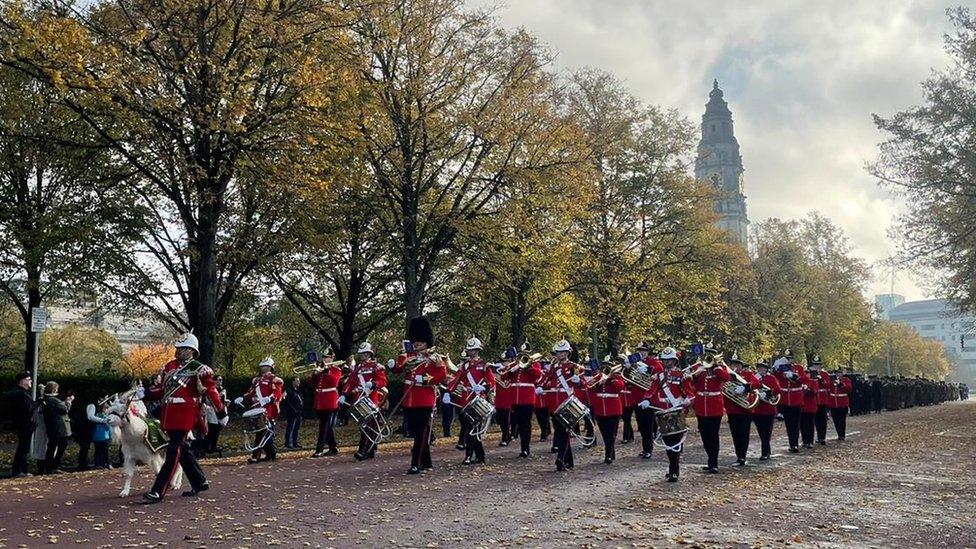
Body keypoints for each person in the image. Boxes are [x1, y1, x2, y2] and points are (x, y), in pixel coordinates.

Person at [143, 332, 228, 503]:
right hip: (168, 414)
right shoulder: (169, 366)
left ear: (191, 351)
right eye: (178, 348)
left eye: (182, 349)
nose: (178, 351)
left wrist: (220, 411)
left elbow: (210, 390)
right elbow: (161, 391)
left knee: (173, 452)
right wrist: (145, 393)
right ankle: (200, 481)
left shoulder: (199, 368)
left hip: (185, 415)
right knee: (183, 451)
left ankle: (158, 491)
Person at [393, 316, 448, 474]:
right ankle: (427, 462)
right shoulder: (408, 357)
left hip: (425, 399)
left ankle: (415, 463)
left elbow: (441, 375)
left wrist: (424, 379)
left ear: (426, 341)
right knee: (416, 431)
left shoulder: (435, 358)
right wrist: (393, 364)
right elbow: (399, 369)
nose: (417, 343)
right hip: (409, 399)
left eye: (420, 341)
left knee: (422, 433)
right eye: (415, 340)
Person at [642, 346, 694, 482]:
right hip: (663, 412)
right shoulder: (658, 376)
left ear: (675, 361)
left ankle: (673, 470)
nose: (666, 363)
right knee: (667, 442)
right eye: (664, 360)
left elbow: (690, 393)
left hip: (676, 411)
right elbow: (651, 390)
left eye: (669, 360)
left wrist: (688, 400)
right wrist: (646, 399)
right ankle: (673, 466)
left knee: (675, 442)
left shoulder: (681, 376)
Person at [444, 337, 496, 465]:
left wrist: (484, 387)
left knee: (471, 428)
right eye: (470, 350)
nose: (471, 352)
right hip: (465, 399)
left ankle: (468, 456)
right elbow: (456, 380)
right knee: (469, 427)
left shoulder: (484, 365)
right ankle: (480, 456)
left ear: (478, 350)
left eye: (473, 350)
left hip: (478, 399)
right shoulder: (465, 366)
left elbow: (491, 381)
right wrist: (448, 392)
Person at [342, 342, 389, 461]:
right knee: (363, 426)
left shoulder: (376, 366)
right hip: (359, 399)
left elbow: (383, 381)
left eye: (364, 353)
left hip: (371, 398)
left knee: (370, 426)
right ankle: (370, 450)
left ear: (369, 354)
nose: (362, 356)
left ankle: (363, 451)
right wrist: (343, 394)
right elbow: (351, 382)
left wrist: (373, 383)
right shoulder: (358, 368)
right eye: (361, 354)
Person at [541, 339, 581, 472]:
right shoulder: (553, 368)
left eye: (563, 352)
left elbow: (583, 384)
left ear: (568, 353)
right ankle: (569, 461)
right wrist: (541, 387)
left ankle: (560, 459)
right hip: (554, 404)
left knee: (563, 433)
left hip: (567, 404)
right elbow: (547, 382)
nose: (560, 354)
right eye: (558, 352)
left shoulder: (573, 367)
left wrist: (578, 381)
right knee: (559, 432)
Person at [689, 345, 730, 473]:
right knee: (705, 435)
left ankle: (714, 462)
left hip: (714, 407)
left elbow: (726, 378)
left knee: (713, 435)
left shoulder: (720, 369)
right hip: (701, 407)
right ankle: (709, 459)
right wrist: (696, 374)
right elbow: (692, 383)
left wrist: (716, 367)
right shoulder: (699, 368)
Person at [236, 357, 285, 463]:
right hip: (258, 408)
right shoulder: (257, 380)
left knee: (262, 432)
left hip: (268, 409)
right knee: (264, 432)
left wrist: (271, 398)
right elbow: (251, 392)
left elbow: (277, 393)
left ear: (270, 367)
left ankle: (256, 456)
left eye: (265, 366)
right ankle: (271, 454)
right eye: (262, 366)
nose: (263, 368)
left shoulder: (274, 379)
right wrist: (243, 398)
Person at [502, 348, 543, 458]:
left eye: (526, 354)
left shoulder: (535, 364)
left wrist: (528, 367)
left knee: (526, 424)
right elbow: (503, 376)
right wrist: (512, 370)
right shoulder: (513, 365)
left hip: (527, 399)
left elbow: (538, 375)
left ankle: (525, 448)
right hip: (515, 399)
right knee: (518, 424)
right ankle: (522, 447)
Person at [724, 353, 760, 466]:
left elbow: (757, 383)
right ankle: (738, 455)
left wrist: (745, 387)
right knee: (735, 434)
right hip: (732, 410)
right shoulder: (727, 375)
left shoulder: (747, 374)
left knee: (744, 434)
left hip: (745, 410)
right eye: (733, 364)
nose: (735, 366)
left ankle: (742, 456)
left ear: (741, 365)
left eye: (737, 364)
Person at [589, 356, 625, 464]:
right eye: (605, 365)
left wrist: (611, 378)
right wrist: (598, 382)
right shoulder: (598, 376)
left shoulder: (617, 376)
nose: (606, 368)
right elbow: (589, 387)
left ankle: (608, 454)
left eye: (609, 365)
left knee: (611, 433)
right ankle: (610, 452)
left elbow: (620, 387)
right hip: (600, 409)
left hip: (613, 409)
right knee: (604, 433)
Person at [774, 350, 809, 453]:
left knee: (795, 423)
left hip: (796, 399)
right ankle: (792, 443)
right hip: (785, 400)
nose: (788, 360)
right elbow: (776, 376)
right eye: (787, 358)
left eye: (790, 358)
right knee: (788, 424)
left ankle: (795, 444)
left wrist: (794, 376)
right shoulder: (781, 368)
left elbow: (805, 380)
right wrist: (776, 368)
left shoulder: (798, 368)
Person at [633, 344, 665, 459]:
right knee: (641, 426)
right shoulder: (634, 363)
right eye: (639, 351)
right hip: (637, 398)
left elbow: (661, 371)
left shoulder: (653, 362)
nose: (641, 353)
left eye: (644, 351)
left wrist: (648, 369)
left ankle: (648, 449)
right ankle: (645, 448)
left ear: (647, 352)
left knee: (647, 426)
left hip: (649, 399)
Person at [310, 351, 342, 457]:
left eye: (327, 358)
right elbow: (312, 383)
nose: (325, 359)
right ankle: (333, 447)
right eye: (324, 357)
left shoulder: (336, 369)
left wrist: (327, 371)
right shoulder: (320, 369)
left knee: (324, 424)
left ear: (332, 358)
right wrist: (315, 373)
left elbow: (334, 382)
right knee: (326, 425)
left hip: (330, 399)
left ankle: (319, 449)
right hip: (320, 399)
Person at [40, 381, 73, 474]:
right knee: (61, 445)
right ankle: (54, 466)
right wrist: (69, 402)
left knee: (52, 446)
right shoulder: (54, 400)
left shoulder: (45, 400)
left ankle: (49, 466)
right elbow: (65, 410)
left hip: (51, 427)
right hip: (59, 428)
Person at [8, 372, 37, 478]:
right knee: (23, 448)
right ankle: (18, 470)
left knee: (24, 448)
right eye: (29, 379)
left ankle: (22, 470)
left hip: (24, 424)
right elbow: (27, 409)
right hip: (24, 424)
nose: (31, 381)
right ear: (23, 381)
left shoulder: (21, 393)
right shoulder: (20, 394)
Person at [752, 360, 781, 461]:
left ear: (766, 369)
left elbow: (777, 390)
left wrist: (768, 394)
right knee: (761, 431)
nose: (760, 369)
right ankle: (767, 449)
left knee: (767, 432)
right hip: (757, 409)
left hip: (768, 409)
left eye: (762, 367)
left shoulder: (771, 378)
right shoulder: (754, 377)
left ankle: (765, 452)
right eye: (759, 367)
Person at [493, 348, 516, 447]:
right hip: (499, 397)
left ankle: (505, 438)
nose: (504, 363)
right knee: (501, 419)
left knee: (508, 419)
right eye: (503, 361)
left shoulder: (515, 369)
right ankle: (508, 434)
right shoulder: (499, 369)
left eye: (506, 361)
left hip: (510, 398)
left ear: (512, 360)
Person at [800, 357, 821, 449]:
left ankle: (810, 441)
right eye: (805, 373)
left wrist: (808, 390)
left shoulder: (813, 382)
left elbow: (815, 391)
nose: (807, 375)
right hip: (801, 406)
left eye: (808, 374)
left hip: (810, 406)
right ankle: (805, 441)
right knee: (802, 425)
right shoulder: (800, 382)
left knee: (810, 424)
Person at [203, 376, 227, 454]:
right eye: (219, 380)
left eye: (222, 380)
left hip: (220, 410)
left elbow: (222, 400)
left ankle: (213, 447)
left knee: (217, 429)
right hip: (212, 411)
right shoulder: (211, 389)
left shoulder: (222, 389)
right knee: (212, 429)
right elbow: (208, 400)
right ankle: (207, 447)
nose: (221, 381)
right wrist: (218, 396)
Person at [826, 370, 853, 441]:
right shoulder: (831, 380)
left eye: (839, 373)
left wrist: (841, 384)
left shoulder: (846, 380)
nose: (838, 374)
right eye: (837, 373)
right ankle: (839, 433)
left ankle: (842, 434)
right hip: (833, 403)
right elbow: (827, 388)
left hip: (842, 403)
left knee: (842, 420)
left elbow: (849, 389)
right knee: (836, 420)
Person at [282, 376, 305, 449]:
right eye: (297, 381)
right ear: (293, 382)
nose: (299, 382)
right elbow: (286, 400)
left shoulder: (298, 390)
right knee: (290, 427)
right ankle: (288, 443)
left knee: (296, 428)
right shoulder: (288, 390)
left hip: (299, 412)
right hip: (292, 412)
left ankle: (295, 442)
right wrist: (293, 409)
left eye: (299, 381)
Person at [91, 397, 113, 469]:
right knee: (104, 450)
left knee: (99, 450)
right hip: (103, 435)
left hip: (99, 435)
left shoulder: (98, 415)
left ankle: (99, 463)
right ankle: (107, 463)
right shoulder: (102, 416)